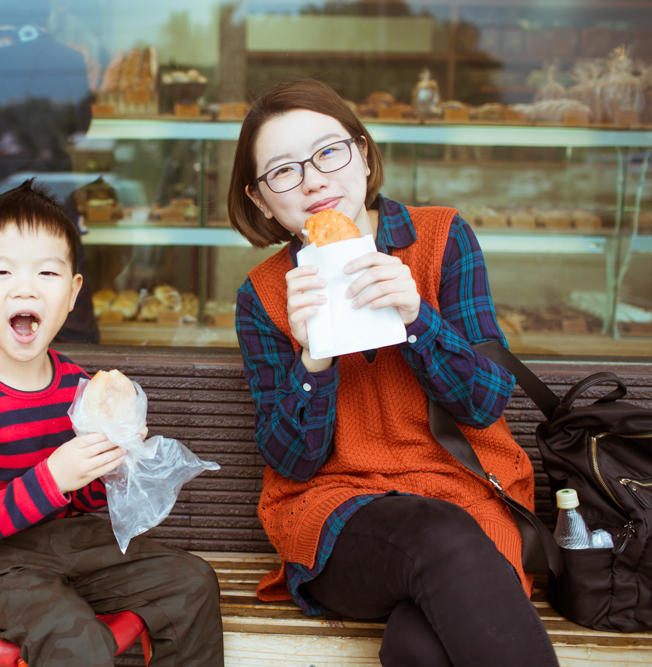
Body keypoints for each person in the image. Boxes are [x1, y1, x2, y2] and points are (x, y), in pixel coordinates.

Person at [227, 79, 559, 667]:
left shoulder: (440, 238)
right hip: (335, 512)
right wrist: (314, 357)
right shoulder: (266, 294)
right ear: (260, 199)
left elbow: (485, 402)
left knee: (418, 648)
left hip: (468, 495)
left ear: (364, 153)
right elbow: (292, 461)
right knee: (435, 534)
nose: (313, 179)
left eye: (329, 152)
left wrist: (415, 317)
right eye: (283, 171)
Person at [0, 180, 223, 667]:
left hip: (61, 545)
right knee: (74, 637)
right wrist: (52, 477)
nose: (25, 287)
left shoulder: (77, 387)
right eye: (1, 271)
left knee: (191, 583)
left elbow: (80, 500)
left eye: (46, 271)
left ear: (72, 294)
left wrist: (108, 466)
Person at [0, 0, 99, 343]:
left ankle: (4, 393)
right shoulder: (65, 59)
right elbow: (79, 128)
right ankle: (68, 393)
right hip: (49, 200)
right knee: (69, 321)